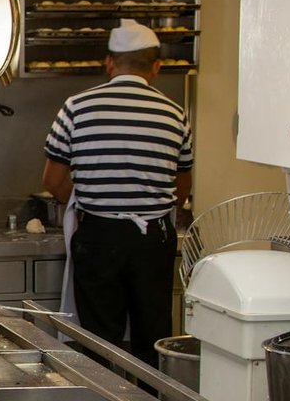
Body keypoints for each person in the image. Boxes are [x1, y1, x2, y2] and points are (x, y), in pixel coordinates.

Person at [42, 19, 192, 364]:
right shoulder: (174, 113)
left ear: (109, 62)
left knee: (99, 340)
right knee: (153, 337)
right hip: (153, 239)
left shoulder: (76, 107)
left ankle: (104, 396)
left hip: (99, 235)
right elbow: (182, 185)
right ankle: (153, 397)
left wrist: (91, 201)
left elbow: (53, 181)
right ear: (156, 66)